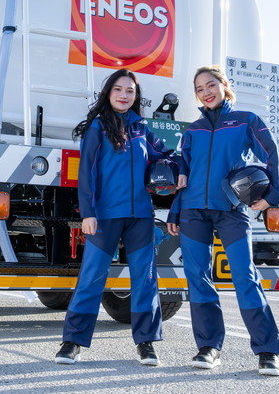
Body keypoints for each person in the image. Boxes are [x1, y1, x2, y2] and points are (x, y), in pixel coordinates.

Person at [167, 64, 279, 376]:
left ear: (224, 85)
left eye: (210, 85)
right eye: (199, 89)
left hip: (232, 209)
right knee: (198, 278)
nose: (205, 92)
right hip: (193, 210)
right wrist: (175, 210)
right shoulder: (192, 130)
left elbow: (272, 155)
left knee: (244, 277)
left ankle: (268, 351)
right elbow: (185, 172)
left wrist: (272, 196)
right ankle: (209, 347)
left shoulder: (246, 121)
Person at [55, 68, 175, 366]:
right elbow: (86, 174)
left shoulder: (142, 126)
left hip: (140, 217)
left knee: (145, 280)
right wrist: (88, 213)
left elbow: (165, 155)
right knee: (91, 278)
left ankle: (146, 343)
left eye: (130, 91)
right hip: (105, 216)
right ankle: (72, 342)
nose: (124, 95)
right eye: (118, 89)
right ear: (109, 93)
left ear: (136, 97)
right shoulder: (98, 126)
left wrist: (180, 165)